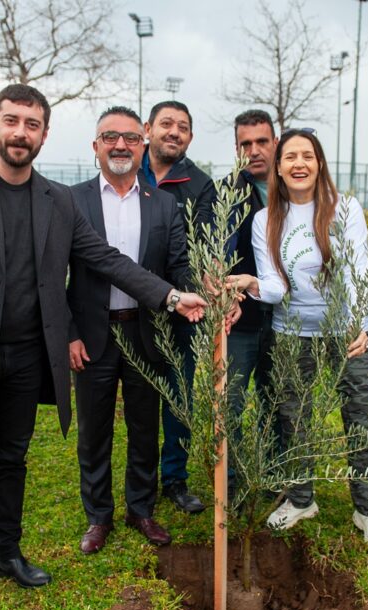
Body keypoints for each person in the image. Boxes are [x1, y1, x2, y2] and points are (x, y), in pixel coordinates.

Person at [0, 84, 206, 610]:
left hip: (28, 357)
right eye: (11, 121)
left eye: (31, 124)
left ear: (44, 134)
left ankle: (7, 554)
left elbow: (107, 260)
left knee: (12, 460)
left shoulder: (56, 200)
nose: (20, 133)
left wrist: (170, 295)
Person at [227, 128, 368, 549]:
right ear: (279, 168)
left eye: (307, 156)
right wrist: (251, 282)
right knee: (293, 419)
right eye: (290, 157)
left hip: (349, 331)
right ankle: (301, 499)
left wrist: (356, 321)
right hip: (293, 333)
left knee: (360, 419)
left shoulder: (344, 208)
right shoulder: (265, 219)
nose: (299, 163)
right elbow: (276, 286)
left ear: (319, 164)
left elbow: (357, 269)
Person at [67, 106, 190, 555]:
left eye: (130, 138)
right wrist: (68, 333)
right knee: (93, 432)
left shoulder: (164, 204)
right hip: (91, 337)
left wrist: (203, 289)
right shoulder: (71, 201)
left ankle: (141, 509)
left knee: (144, 428)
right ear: (96, 146)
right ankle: (98, 516)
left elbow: (178, 266)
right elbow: (52, 276)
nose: (120, 145)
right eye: (110, 137)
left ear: (143, 145)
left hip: (146, 334)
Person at [138, 100, 216, 515]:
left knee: (178, 395)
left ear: (190, 137)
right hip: (130, 303)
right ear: (147, 128)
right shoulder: (129, 170)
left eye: (182, 127)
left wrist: (182, 293)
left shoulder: (200, 185)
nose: (174, 132)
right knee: (138, 398)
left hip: (182, 308)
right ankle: (140, 479)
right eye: (166, 123)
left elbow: (197, 249)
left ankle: (175, 478)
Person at [223, 110, 279, 492]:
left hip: (285, 319)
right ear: (237, 148)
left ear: (275, 142)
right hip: (241, 322)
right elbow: (215, 253)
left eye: (262, 141)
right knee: (233, 403)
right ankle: (233, 480)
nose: (254, 150)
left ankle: (270, 476)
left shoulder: (296, 188)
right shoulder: (227, 192)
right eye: (246, 143)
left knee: (275, 401)